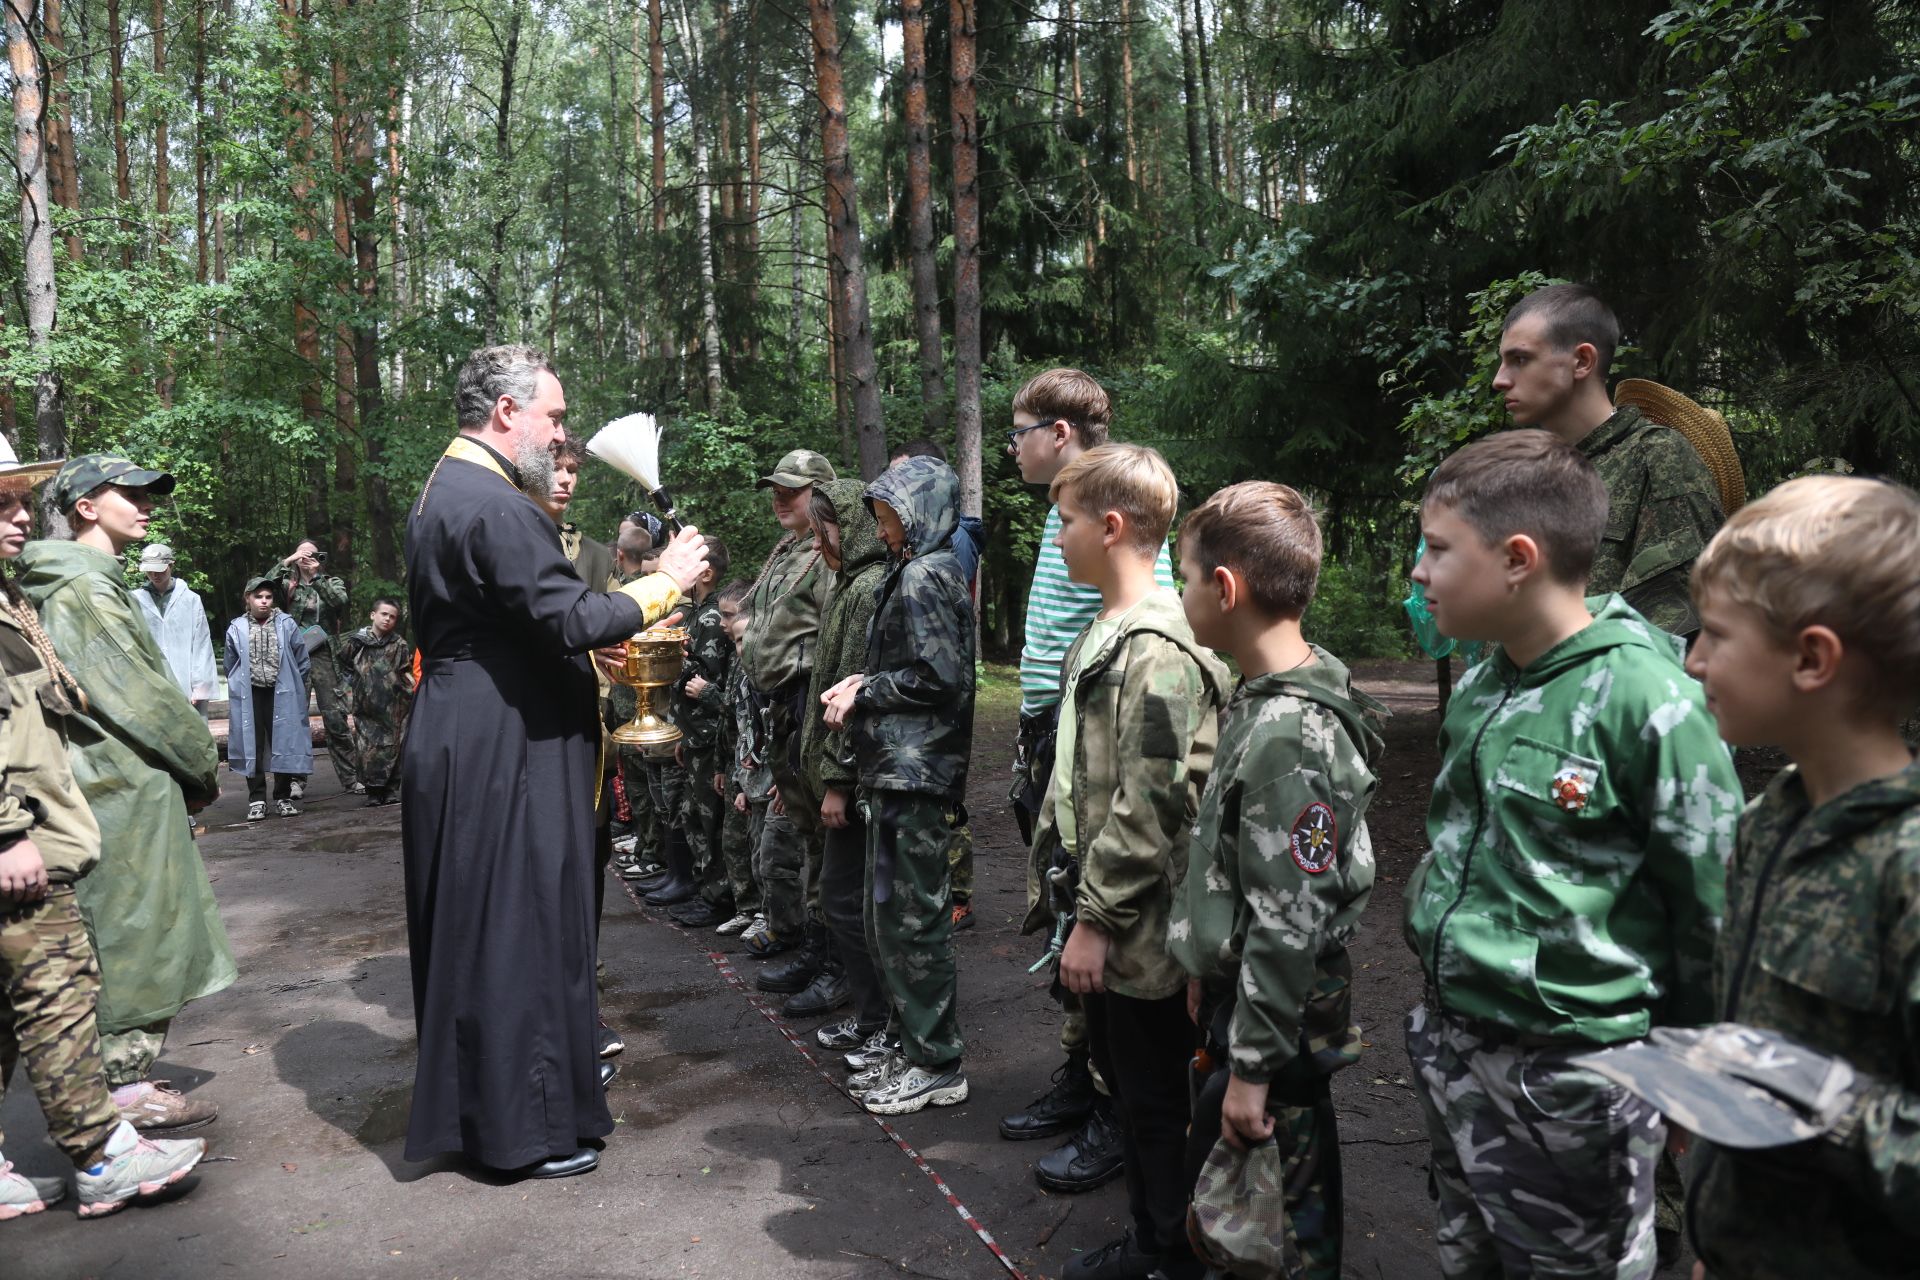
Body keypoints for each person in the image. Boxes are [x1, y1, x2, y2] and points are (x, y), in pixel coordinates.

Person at [1401, 430, 1741, 1279]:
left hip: (1575, 1081)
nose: (1419, 571)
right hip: (1457, 1052)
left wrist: (1695, 1076)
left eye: (1437, 549)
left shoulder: (1649, 700)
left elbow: (1713, 911)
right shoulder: (1487, 682)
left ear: (1517, 559)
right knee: (1468, 1257)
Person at [399, 343, 709, 1180]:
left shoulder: (448, 487)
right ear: (507, 412)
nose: (562, 434)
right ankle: (525, 1129)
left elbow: (521, 621)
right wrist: (667, 581)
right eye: (555, 416)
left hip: (478, 727)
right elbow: (567, 617)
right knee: (520, 925)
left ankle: (504, 1111)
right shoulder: (495, 503)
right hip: (504, 741)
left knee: (486, 925)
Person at [1678, 476, 1920, 1280]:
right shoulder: (1769, 821)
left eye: (1715, 635)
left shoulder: (1906, 866)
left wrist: (1825, 1107)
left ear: (1812, 658)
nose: (1693, 659)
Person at [1012, 444, 1227, 1279]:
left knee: (1153, 1094)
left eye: (1065, 521)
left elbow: (1151, 801)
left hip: (1142, 923)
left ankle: (1167, 1252)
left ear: (1110, 527)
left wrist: (1097, 922)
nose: (1056, 536)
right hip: (1105, 904)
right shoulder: (1103, 633)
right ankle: (1153, 1235)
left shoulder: (1159, 648)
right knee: (1126, 1084)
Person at [1169, 482, 1383, 1280]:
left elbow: (1288, 920)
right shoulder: (1270, 695)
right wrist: (1206, 961)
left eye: (1185, 578)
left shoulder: (1288, 733)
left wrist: (1252, 1070)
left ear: (1225, 589)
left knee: (1279, 1220)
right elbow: (1242, 869)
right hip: (1256, 1003)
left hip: (1279, 1026)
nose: (1181, 594)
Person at [0, 449, 212, 1223]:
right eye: (2, 505)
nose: (20, 516)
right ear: (88, 505)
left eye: (20, 502)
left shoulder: (24, 592)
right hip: (55, 826)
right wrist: (7, 833)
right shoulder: (78, 588)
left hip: (58, 818)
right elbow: (133, 698)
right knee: (68, 990)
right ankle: (105, 1144)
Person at [1000, 368, 1174, 1192]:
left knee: (1098, 915)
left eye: (1019, 433)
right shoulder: (1064, 510)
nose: (1012, 448)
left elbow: (1146, 630)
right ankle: (1083, 1074)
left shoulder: (1114, 511)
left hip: (1098, 735)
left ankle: (1114, 1105)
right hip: (1058, 729)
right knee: (1065, 904)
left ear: (1060, 433)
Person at [821, 455, 977, 1116]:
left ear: (921, 514)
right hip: (896, 770)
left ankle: (935, 1061)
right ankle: (912, 1044)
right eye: (881, 517)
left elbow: (939, 677)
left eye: (891, 516)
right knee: (889, 919)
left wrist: (865, 690)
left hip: (915, 772)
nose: (883, 529)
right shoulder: (918, 569)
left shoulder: (923, 576)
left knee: (912, 923)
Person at [1494, 282, 1725, 637]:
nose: (1499, 380)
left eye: (1520, 360)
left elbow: (1675, 625)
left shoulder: (1655, 456)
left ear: (1582, 361)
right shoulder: (1526, 473)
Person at [740, 449, 837, 997]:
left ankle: (831, 959)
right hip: (780, 709)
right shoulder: (788, 552)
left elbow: (831, 637)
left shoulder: (826, 555)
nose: (779, 498)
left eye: (791, 490)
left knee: (824, 839)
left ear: (819, 494)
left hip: (808, 706)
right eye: (775, 489)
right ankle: (815, 947)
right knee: (806, 831)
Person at [800, 480, 890, 1043]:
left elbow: (852, 695)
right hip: (839, 776)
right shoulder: (848, 583)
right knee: (842, 897)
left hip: (854, 781)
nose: (817, 544)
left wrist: (836, 780)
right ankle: (873, 1016)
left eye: (823, 531)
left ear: (850, 527)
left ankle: (880, 1019)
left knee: (845, 898)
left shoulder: (869, 587)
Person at [888, 439, 985, 930]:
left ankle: (956, 893)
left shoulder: (939, 554)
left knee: (945, 809)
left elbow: (940, 651)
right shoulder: (919, 553)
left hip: (934, 723)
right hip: (924, 715)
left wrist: (871, 688)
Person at [661, 539, 739, 930]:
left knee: (710, 820)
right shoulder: (698, 612)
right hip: (696, 734)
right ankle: (703, 888)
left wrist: (675, 661)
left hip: (710, 736)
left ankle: (717, 896)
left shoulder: (710, 618)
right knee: (694, 815)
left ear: (705, 573)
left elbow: (704, 678)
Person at [268, 538, 354, 796]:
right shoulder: (287, 585)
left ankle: (351, 778)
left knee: (336, 717)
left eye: (312, 554)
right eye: (302, 554)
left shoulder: (330, 582)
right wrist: (287, 562)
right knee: (296, 718)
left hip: (326, 656)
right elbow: (264, 587)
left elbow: (340, 602)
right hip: (296, 656)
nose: (307, 558)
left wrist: (316, 577)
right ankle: (296, 780)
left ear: (320, 558)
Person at [223, 578, 313, 821]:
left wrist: (293, 685)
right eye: (258, 597)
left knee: (283, 741)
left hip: (281, 691)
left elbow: (301, 659)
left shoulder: (286, 624)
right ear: (248, 598)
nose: (264, 601)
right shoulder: (237, 627)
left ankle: (283, 797)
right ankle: (257, 799)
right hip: (251, 693)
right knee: (252, 743)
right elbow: (231, 664)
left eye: (268, 597)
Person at [718, 598, 771, 937]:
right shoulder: (743, 680)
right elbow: (742, 736)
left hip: (774, 783)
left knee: (771, 858)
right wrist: (740, 785)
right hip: (751, 782)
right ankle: (753, 912)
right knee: (751, 850)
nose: (740, 647)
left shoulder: (772, 680)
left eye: (745, 639)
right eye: (737, 641)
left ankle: (772, 919)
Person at [340, 596, 414, 807]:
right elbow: (343, 664)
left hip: (393, 706)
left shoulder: (398, 644)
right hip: (366, 706)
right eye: (384, 614)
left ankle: (390, 789)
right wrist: (349, 690)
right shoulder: (357, 641)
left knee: (393, 747)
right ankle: (373, 791)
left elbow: (405, 671)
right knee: (368, 749)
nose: (387, 619)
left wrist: (408, 694)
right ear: (373, 615)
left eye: (392, 617)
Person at [132, 543, 216, 717]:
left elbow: (201, 644)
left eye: (159, 570)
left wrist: (200, 686)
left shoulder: (191, 599)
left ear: (171, 565)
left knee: (189, 726)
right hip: (149, 680)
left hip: (185, 680)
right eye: (149, 571)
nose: (154, 575)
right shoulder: (135, 599)